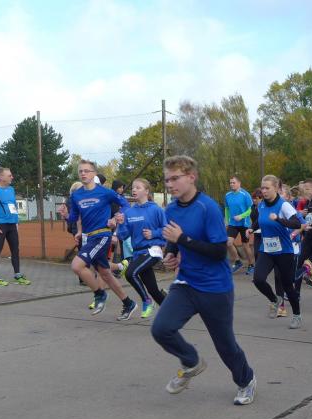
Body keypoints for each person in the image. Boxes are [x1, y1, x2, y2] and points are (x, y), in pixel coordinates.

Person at [150, 155, 256, 405]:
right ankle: (191, 362)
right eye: (167, 180)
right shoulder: (171, 209)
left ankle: (246, 380)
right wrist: (171, 253)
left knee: (225, 344)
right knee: (161, 329)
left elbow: (219, 251)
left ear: (191, 177)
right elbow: (173, 239)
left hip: (215, 287)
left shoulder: (208, 208)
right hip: (186, 283)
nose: (170, 184)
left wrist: (182, 240)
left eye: (175, 178)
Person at [56, 160, 136, 319]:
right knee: (106, 274)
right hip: (89, 237)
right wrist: (65, 215)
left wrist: (117, 217)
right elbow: (74, 218)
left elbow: (125, 205)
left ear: (93, 174)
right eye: (80, 171)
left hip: (102, 235)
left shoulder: (105, 192)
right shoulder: (76, 195)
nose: (83, 173)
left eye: (86, 171)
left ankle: (100, 295)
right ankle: (128, 303)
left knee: (77, 265)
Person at [251, 175, 304, 329]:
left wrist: (279, 220)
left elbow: (297, 223)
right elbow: (260, 220)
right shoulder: (261, 205)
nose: (264, 191)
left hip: (284, 251)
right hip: (266, 249)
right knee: (258, 279)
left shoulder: (283, 205)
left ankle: (297, 315)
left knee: (287, 285)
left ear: (276, 188)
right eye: (262, 188)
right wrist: (251, 228)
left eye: (267, 188)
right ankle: (275, 300)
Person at [114, 178, 168, 319]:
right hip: (138, 253)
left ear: (146, 191)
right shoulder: (129, 212)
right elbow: (123, 235)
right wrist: (121, 223)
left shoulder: (156, 209)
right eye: (133, 187)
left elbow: (167, 230)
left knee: (130, 273)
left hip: (153, 250)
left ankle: (146, 301)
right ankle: (171, 313)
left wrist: (153, 234)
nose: (134, 190)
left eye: (138, 187)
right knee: (153, 289)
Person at [0, 167, 30, 286]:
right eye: (9, 175)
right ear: (1, 177)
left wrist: (16, 221)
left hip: (12, 225)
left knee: (15, 250)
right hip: (0, 225)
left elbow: (13, 205)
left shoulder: (11, 189)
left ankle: (17, 275)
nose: (12, 177)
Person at [225, 176, 255, 275]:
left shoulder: (245, 194)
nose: (231, 184)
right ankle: (238, 262)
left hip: (244, 223)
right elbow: (226, 208)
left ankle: (251, 265)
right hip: (233, 223)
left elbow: (250, 210)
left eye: (233, 182)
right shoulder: (227, 195)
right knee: (228, 242)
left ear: (239, 183)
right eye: (230, 183)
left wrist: (241, 216)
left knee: (245, 245)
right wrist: (227, 220)